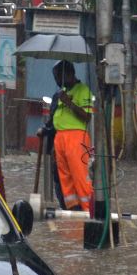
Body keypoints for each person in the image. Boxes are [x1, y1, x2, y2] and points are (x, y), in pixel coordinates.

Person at [50, 60, 94, 216]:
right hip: (60, 137)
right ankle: (72, 209)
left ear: (68, 74)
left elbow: (88, 116)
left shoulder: (83, 91)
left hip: (76, 138)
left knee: (80, 176)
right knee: (65, 177)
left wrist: (69, 103)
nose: (57, 81)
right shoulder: (61, 92)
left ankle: (89, 209)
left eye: (58, 77)